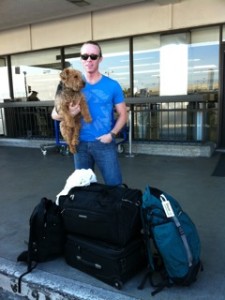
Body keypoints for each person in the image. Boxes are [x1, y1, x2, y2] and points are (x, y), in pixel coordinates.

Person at [51, 40, 127, 185]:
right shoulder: (70, 82)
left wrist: (112, 135)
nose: (89, 60)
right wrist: (71, 114)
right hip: (80, 143)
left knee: (115, 186)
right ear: (81, 59)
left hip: (104, 143)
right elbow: (54, 114)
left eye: (93, 56)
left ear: (100, 59)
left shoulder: (112, 85)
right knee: (82, 189)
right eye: (85, 56)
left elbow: (123, 115)